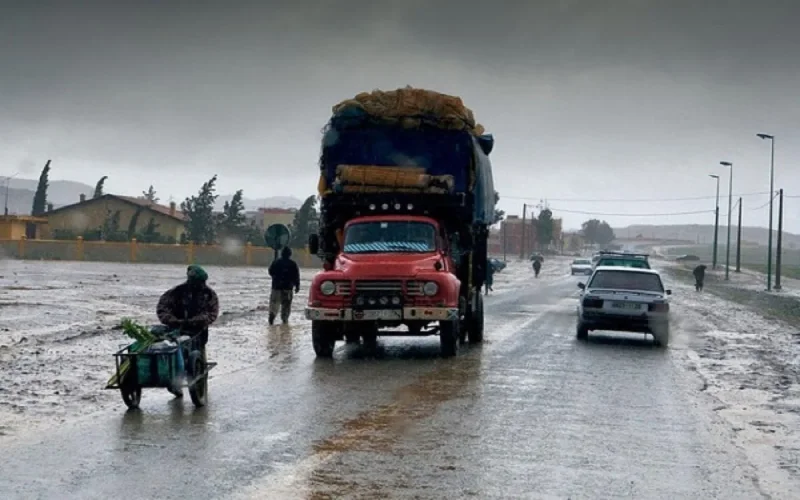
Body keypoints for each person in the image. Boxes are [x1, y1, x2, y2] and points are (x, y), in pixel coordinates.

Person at [156, 264, 219, 397]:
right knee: (174, 354)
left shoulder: (209, 294)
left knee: (199, 360)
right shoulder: (176, 292)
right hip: (176, 330)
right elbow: (163, 308)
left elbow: (212, 313)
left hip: (198, 333)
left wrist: (197, 321)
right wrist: (173, 320)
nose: (200, 285)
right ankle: (174, 383)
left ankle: (201, 391)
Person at [268, 246, 300, 325]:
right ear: (290, 254)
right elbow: (296, 276)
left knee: (274, 303)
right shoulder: (293, 264)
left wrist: (276, 277)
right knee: (286, 305)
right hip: (288, 288)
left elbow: (270, 271)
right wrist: (297, 286)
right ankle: (284, 319)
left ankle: (272, 315)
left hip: (276, 287)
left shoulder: (276, 262)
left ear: (282, 254)